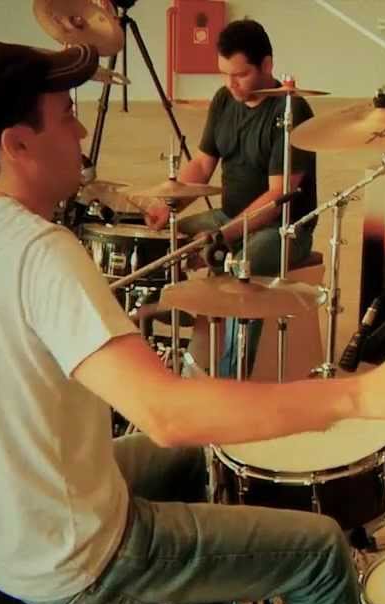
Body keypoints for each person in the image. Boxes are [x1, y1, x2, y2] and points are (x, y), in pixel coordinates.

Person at [0, 41, 385, 604]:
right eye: (66, 115)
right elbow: (166, 415)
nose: (81, 131)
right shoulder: (40, 253)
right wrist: (359, 395)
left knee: (205, 457)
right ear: (16, 144)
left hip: (4, 527)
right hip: (74, 558)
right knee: (320, 551)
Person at [143, 19, 316, 377]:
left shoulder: (291, 111)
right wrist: (168, 205)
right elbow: (202, 164)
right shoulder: (224, 100)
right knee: (163, 241)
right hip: (229, 216)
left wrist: (223, 237)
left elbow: (277, 197)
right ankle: (177, 338)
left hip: (284, 229)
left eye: (240, 75)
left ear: (266, 65)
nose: (230, 84)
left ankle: (230, 379)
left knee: (241, 269)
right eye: (224, 74)